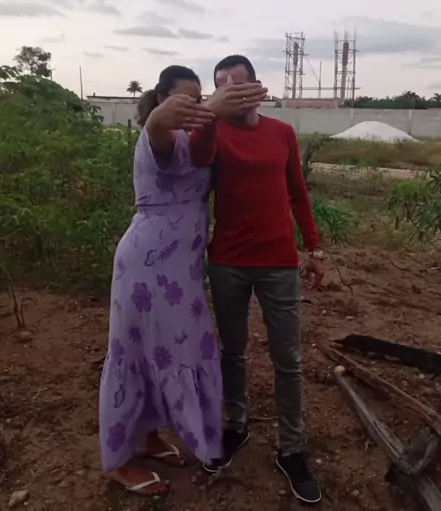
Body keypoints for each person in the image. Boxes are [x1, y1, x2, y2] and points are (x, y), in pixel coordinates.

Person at [99, 65, 267, 497]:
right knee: (135, 356)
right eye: (186, 99)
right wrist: (206, 109)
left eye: (199, 97)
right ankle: (119, 460)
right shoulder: (159, 135)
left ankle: (147, 437)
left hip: (182, 270)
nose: (195, 106)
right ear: (162, 99)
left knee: (167, 352)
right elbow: (158, 125)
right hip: (147, 267)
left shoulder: (193, 140)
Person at [189, 55, 326, 505]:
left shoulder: (282, 132)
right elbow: (197, 156)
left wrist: (315, 248)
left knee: (288, 359)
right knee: (233, 352)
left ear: (257, 86)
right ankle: (236, 427)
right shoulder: (214, 132)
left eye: (237, 83)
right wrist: (212, 113)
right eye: (221, 85)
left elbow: (298, 192)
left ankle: (292, 449)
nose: (230, 90)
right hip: (228, 261)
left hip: (279, 262)